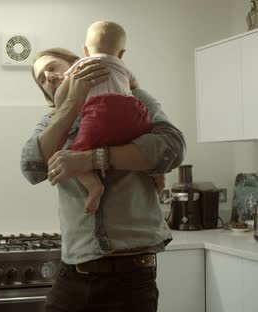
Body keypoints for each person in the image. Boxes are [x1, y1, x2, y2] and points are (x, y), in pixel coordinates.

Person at [21, 45, 186, 311]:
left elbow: (172, 148)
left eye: (51, 67)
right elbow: (31, 168)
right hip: (72, 274)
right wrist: (72, 103)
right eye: (41, 79)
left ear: (78, 63)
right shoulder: (51, 121)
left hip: (131, 279)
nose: (48, 77)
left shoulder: (132, 97)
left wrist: (92, 159)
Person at [59, 21, 153, 215]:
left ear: (86, 50)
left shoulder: (82, 65)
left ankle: (94, 186)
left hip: (100, 113)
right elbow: (135, 85)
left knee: (74, 155)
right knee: (145, 142)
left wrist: (62, 104)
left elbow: (61, 95)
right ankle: (157, 174)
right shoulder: (123, 66)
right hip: (133, 112)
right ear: (121, 53)